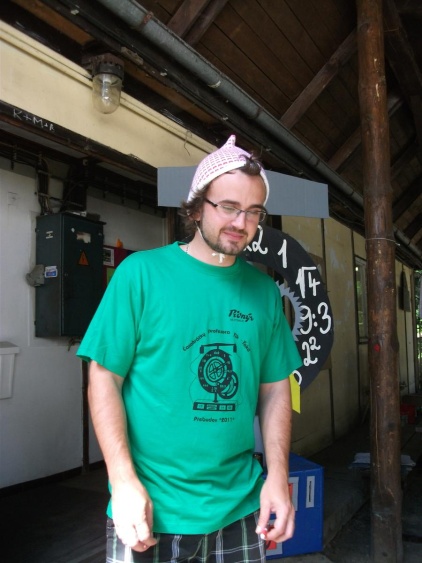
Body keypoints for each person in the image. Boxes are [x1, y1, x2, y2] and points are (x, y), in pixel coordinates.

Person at [77, 135, 302, 563]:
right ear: (196, 208)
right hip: (150, 509)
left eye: (253, 211)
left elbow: (275, 389)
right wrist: (122, 482)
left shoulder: (263, 292)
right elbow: (103, 377)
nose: (241, 222)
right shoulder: (141, 274)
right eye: (228, 207)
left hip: (241, 505)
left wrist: (277, 476)